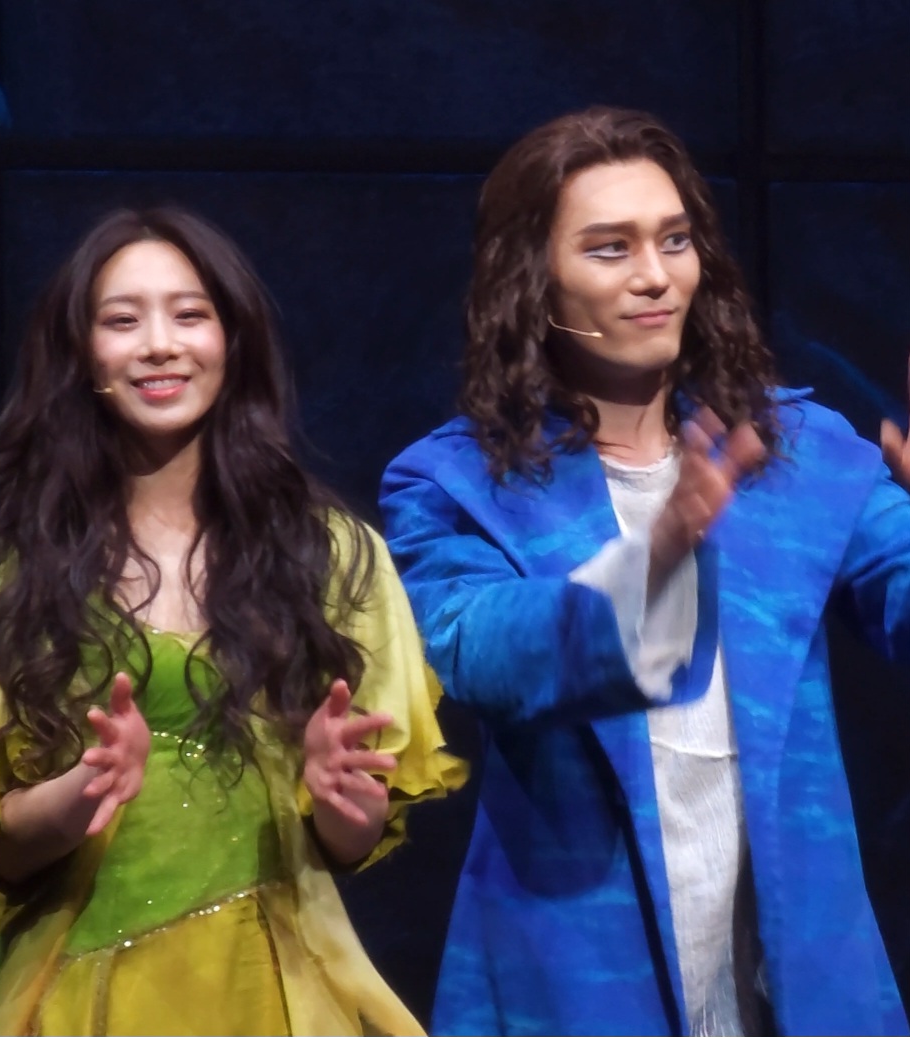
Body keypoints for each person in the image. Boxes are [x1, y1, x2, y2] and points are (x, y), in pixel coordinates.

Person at [379, 105, 910, 1037]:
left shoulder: (794, 449)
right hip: (575, 974)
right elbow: (480, 655)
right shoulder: (454, 481)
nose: (655, 275)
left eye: (673, 239)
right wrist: (656, 555)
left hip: (795, 971)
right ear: (533, 280)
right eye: (609, 248)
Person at [0, 206, 465, 1037]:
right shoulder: (14, 577)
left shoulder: (331, 554)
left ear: (233, 339)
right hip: (85, 991)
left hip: (272, 981)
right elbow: (4, 846)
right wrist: (86, 787)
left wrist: (339, 792)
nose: (159, 345)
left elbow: (352, 841)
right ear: (81, 353)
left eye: (188, 314)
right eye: (122, 320)